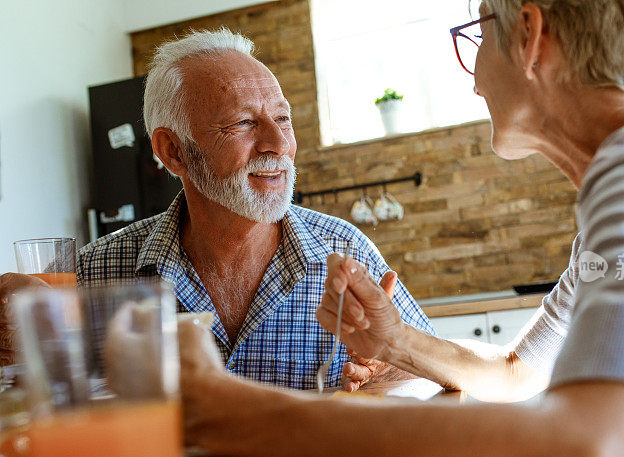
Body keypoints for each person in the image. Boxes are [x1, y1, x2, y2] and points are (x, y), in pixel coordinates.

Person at [175, 0, 624, 457]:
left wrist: (229, 410)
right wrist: (396, 341)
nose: (474, 77)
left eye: (477, 34)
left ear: (528, 35)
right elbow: (514, 373)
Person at [0, 29, 433, 389]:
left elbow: (438, 376)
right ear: (173, 152)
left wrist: (389, 369)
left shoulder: (347, 250)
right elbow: (37, 397)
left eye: (282, 119)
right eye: (244, 123)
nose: (279, 145)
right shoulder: (97, 272)